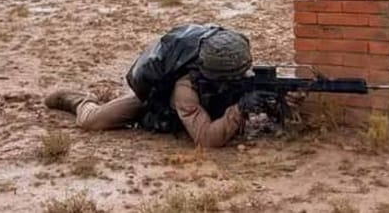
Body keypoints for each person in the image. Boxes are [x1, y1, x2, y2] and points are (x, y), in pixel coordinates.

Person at [45, 24, 266, 148]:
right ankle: (81, 99)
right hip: (156, 101)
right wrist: (238, 111)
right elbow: (206, 139)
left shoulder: (236, 67)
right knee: (93, 121)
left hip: (198, 104)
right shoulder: (185, 89)